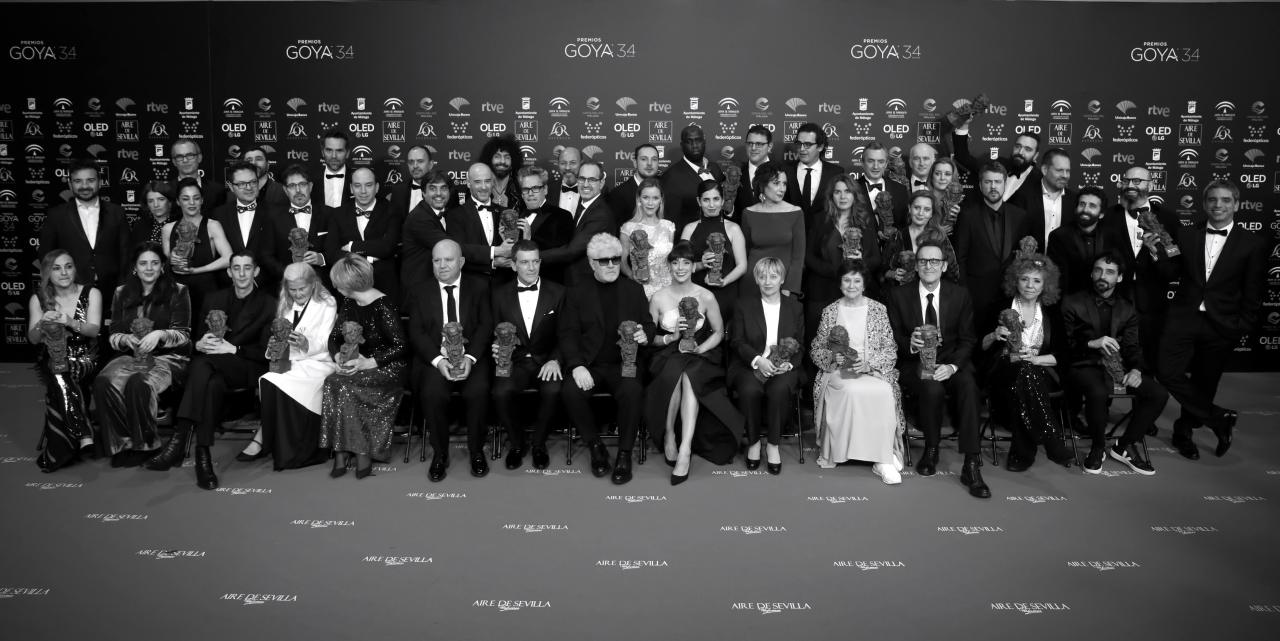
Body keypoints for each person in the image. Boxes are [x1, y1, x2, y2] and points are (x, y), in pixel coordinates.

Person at [144, 251, 275, 489]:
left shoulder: (269, 303)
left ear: (256, 271)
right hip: (213, 368)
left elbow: (265, 352)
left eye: (247, 268)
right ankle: (202, 455)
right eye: (236, 268)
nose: (242, 274)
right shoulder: (214, 298)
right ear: (229, 272)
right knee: (210, 382)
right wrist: (199, 344)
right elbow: (196, 338)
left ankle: (181, 436)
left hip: (246, 365)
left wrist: (233, 348)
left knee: (202, 365)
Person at [1156, 180, 1265, 460]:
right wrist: (1157, 252)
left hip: (1222, 323)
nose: (1218, 205)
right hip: (1184, 316)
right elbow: (1171, 272)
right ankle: (1218, 418)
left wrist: (1241, 327)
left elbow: (1253, 291)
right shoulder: (1186, 234)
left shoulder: (1252, 243)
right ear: (1204, 204)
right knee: (1166, 371)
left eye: (1226, 200)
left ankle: (1183, 433)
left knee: (1205, 383)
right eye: (1213, 199)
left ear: (1236, 205)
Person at [885, 239, 989, 498]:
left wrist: (952, 367)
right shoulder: (898, 295)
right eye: (923, 261)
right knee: (931, 388)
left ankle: (971, 463)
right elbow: (892, 337)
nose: (928, 266)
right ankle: (931, 449)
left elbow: (968, 340)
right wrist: (910, 344)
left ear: (943, 266)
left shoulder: (960, 294)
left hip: (952, 361)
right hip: (915, 363)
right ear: (916, 266)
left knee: (969, 386)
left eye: (934, 261)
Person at [645, 241, 745, 484]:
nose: (680, 267)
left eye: (686, 263)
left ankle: (685, 449)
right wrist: (672, 337)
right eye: (675, 263)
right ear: (669, 266)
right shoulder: (658, 297)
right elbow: (649, 338)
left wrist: (701, 348)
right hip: (667, 353)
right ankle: (669, 434)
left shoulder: (706, 295)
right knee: (675, 373)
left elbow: (719, 333)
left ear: (693, 266)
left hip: (702, 352)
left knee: (690, 376)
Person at [559, 233, 654, 484]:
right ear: (592, 263)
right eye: (604, 261)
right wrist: (577, 366)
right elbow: (567, 334)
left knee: (632, 391)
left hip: (625, 364)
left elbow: (648, 324)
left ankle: (624, 453)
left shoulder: (634, 289)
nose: (611, 265)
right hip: (590, 364)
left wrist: (645, 334)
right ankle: (595, 446)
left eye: (615, 259)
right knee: (570, 391)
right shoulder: (576, 292)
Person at [1062, 251, 1168, 474]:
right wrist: (1092, 343)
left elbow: (1132, 346)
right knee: (1098, 392)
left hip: (1118, 367)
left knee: (1158, 394)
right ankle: (1098, 447)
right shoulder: (1072, 302)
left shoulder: (1127, 308)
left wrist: (1136, 369)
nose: (1103, 276)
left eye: (1110, 272)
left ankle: (1125, 445)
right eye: (1098, 270)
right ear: (1091, 274)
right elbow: (1063, 345)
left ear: (1119, 278)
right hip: (1083, 364)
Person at [93, 242, 191, 467]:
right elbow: (113, 333)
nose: (149, 268)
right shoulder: (121, 292)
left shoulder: (178, 291)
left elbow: (184, 335)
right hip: (131, 355)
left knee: (139, 382)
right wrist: (126, 339)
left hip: (170, 358)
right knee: (103, 382)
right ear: (135, 267)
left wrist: (160, 335)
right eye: (143, 263)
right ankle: (121, 443)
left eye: (154, 263)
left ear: (162, 266)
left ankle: (147, 445)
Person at [405, 240, 494, 482]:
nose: (442, 265)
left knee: (478, 391)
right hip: (436, 357)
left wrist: (470, 357)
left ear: (461, 262)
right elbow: (416, 332)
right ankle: (440, 454)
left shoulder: (479, 286)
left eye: (448, 260)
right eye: (437, 260)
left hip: (471, 356)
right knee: (433, 394)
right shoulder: (419, 290)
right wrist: (438, 361)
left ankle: (477, 451)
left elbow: (486, 325)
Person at [810, 261, 904, 483]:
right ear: (840, 283)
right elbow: (816, 349)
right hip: (837, 372)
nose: (851, 285)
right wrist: (832, 357)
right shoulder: (830, 311)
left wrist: (869, 365)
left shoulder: (879, 310)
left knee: (883, 391)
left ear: (864, 284)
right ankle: (847, 452)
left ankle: (883, 460)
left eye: (856, 280)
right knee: (850, 390)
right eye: (847, 280)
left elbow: (890, 349)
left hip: (872, 371)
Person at [979, 254, 1073, 471]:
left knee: (1026, 375)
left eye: (1037, 280)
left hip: (1040, 373)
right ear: (1015, 280)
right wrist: (994, 335)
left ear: (1045, 285)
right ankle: (1051, 439)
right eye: (1024, 279)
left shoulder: (1052, 312)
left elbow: (1064, 355)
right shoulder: (998, 306)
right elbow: (979, 347)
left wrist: (1036, 359)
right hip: (1001, 370)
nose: (1030, 285)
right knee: (1024, 372)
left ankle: (1023, 453)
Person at [320, 255, 408, 479]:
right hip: (358, 364)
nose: (335, 286)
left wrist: (368, 363)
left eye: (337, 282)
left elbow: (401, 346)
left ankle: (361, 451)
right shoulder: (349, 303)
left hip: (387, 366)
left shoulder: (384, 305)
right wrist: (338, 356)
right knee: (331, 382)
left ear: (348, 284)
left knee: (348, 387)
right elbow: (334, 338)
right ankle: (340, 451)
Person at [244, 262, 338, 470]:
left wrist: (306, 343)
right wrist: (273, 347)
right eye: (292, 289)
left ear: (313, 284)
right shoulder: (285, 302)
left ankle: (268, 439)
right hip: (290, 361)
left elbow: (327, 341)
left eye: (302, 288)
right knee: (270, 380)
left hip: (319, 362)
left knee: (281, 381)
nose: (297, 294)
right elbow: (279, 338)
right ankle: (275, 443)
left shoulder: (327, 302)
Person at [490, 241, 566, 470]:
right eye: (525, 262)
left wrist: (556, 359)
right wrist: (495, 347)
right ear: (514, 265)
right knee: (500, 392)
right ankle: (517, 443)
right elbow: (493, 330)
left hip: (547, 359)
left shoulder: (559, 292)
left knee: (553, 390)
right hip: (515, 361)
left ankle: (539, 444)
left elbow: (567, 333)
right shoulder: (498, 295)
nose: (531, 267)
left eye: (535, 261)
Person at [728, 258, 804, 475]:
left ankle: (772, 445)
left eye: (773, 276)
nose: (767, 281)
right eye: (762, 277)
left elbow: (801, 344)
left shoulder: (795, 307)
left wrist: (788, 364)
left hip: (783, 368)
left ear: (782, 279)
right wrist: (758, 360)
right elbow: (737, 341)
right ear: (756, 279)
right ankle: (753, 443)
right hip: (750, 364)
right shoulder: (743, 305)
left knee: (779, 389)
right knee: (749, 389)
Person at [29, 250, 102, 472]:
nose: (64, 272)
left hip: (85, 355)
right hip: (53, 355)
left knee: (59, 375)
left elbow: (93, 330)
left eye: (68, 266)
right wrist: (41, 323)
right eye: (57, 268)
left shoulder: (91, 293)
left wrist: (69, 321)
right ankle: (83, 432)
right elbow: (33, 339)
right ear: (47, 273)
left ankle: (68, 443)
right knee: (58, 369)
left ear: (75, 269)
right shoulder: (39, 299)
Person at [1103, 165, 1181, 368]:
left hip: (1152, 302)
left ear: (1151, 185)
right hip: (1113, 300)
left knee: (1147, 362)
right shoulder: (1107, 217)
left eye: (1137, 181)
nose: (1131, 185)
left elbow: (1174, 267)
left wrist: (1155, 252)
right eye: (1127, 180)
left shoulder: (1169, 219)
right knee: (1111, 358)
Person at [38, 159, 129, 310]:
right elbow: (46, 256)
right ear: (70, 184)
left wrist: (122, 286)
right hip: (70, 292)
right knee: (75, 326)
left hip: (112, 292)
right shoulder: (56, 215)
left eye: (90, 180)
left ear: (100, 182)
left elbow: (126, 253)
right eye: (78, 181)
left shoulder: (117, 213)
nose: (85, 186)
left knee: (109, 326)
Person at [954, 161, 1029, 334]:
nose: (993, 186)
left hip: (1010, 295)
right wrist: (964, 294)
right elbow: (960, 258)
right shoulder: (967, 216)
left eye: (997, 182)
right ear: (980, 185)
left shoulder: (1019, 216)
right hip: (976, 297)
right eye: (988, 182)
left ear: (1004, 184)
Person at [806, 175, 882, 342]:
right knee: (820, 342)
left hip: (854, 292)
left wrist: (861, 261)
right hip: (822, 290)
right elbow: (808, 257)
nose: (842, 196)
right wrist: (834, 271)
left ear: (854, 195)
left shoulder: (865, 220)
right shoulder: (819, 219)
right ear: (831, 196)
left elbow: (876, 259)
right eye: (837, 192)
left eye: (847, 191)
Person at [325, 167, 404, 304]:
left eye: (368, 185)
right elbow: (331, 252)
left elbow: (387, 247)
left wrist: (352, 246)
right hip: (348, 286)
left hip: (385, 284)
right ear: (351, 188)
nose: (363, 191)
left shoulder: (392, 211)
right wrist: (367, 259)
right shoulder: (338, 214)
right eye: (357, 185)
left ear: (377, 187)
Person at [163, 178, 233, 319]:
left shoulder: (212, 226)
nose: (192, 203)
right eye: (186, 199)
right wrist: (171, 258)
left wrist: (197, 270)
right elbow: (165, 260)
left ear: (202, 200)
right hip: (177, 292)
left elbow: (228, 258)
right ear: (178, 202)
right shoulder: (168, 229)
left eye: (196, 198)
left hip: (206, 292)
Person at [682, 179, 748, 323]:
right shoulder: (689, 229)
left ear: (723, 200)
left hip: (727, 294)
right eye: (706, 200)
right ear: (699, 201)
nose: (711, 205)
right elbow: (680, 266)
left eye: (716, 199)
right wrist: (701, 264)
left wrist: (724, 282)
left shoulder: (734, 229)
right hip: (696, 295)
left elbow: (742, 266)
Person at [545, 160, 619, 286]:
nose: (585, 184)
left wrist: (533, 256)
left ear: (601, 183)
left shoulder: (600, 215)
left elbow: (571, 251)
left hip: (589, 285)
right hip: (576, 282)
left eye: (592, 180)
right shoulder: (585, 206)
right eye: (582, 179)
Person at [1047, 186, 1127, 296]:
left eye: (1092, 206)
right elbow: (1057, 277)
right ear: (1076, 208)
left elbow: (1120, 271)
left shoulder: (1112, 236)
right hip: (1071, 300)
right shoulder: (1059, 236)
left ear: (1101, 214)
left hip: (1105, 299)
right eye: (1082, 204)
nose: (1085, 210)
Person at [741, 162, 805, 299]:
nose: (782, 189)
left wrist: (789, 287)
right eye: (776, 183)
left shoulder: (795, 212)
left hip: (783, 284)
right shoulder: (748, 213)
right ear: (763, 184)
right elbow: (744, 253)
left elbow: (798, 258)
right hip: (752, 282)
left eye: (784, 184)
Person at [215, 161, 283, 289]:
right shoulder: (219, 214)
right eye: (241, 184)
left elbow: (280, 254)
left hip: (267, 288)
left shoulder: (275, 213)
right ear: (231, 186)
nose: (249, 187)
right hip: (228, 288)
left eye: (253, 182)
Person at [447, 163, 515, 278]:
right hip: (471, 283)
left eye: (487, 181)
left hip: (503, 283)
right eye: (478, 182)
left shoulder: (506, 213)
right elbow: (459, 251)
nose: (484, 187)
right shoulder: (455, 215)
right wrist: (494, 258)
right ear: (468, 183)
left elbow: (512, 251)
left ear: (493, 182)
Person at [950, 122, 1042, 205]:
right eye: (1018, 146)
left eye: (1028, 149)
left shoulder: (1040, 180)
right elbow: (963, 157)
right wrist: (964, 124)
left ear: (1036, 155)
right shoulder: (997, 164)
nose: (1020, 152)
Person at [883, 191, 959, 288]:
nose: (921, 213)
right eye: (917, 208)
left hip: (935, 294)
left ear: (932, 213)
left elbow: (953, 272)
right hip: (904, 294)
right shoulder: (896, 237)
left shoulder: (940, 237)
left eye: (927, 209)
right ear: (909, 208)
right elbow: (882, 271)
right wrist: (893, 274)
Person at [272, 164, 332, 286]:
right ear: (285, 190)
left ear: (310, 186)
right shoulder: (274, 217)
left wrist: (322, 258)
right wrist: (287, 274)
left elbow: (336, 249)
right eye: (292, 186)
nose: (298, 190)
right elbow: (267, 255)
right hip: (286, 284)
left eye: (302, 184)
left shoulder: (329, 214)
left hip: (322, 284)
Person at [513, 166, 574, 283]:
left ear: (545, 189)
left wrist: (529, 241)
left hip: (550, 284)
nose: (530, 193)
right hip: (519, 285)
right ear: (522, 194)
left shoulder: (562, 216)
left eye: (535, 188)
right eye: (525, 189)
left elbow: (563, 255)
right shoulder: (517, 217)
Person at [660, 124, 726, 231]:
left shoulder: (715, 168)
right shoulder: (671, 177)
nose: (695, 145)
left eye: (698, 140)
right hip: (692, 238)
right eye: (689, 141)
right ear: (682, 145)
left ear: (704, 142)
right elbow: (671, 221)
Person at [620, 178, 676, 298]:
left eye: (655, 198)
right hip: (641, 289)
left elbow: (671, 261)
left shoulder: (668, 226)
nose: (650, 203)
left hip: (667, 289)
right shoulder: (628, 228)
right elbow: (622, 261)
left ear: (661, 200)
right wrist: (632, 276)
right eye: (646, 197)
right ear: (639, 199)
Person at [399, 169, 453, 290]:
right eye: (433, 188)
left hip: (437, 285)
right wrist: (492, 252)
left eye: (443, 188)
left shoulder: (450, 214)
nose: (438, 193)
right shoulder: (419, 218)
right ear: (423, 192)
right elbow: (451, 247)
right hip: (418, 289)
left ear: (449, 192)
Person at [785, 123, 846, 228]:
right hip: (790, 232)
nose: (802, 149)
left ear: (820, 147)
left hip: (824, 234)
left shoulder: (836, 173)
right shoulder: (785, 171)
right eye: (799, 144)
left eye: (807, 144)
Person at [1017, 148, 1078, 249]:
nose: (1065, 175)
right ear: (1045, 170)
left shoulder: (1075, 200)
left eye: (1067, 171)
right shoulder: (1023, 197)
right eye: (1059, 170)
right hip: (1031, 258)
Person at [606, 143, 660, 228]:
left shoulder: (665, 188)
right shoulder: (618, 194)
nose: (649, 163)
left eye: (654, 159)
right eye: (644, 159)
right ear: (635, 162)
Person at [856, 143, 908, 229]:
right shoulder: (852, 189)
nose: (876, 166)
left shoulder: (900, 190)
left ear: (886, 164)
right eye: (871, 161)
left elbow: (903, 225)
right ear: (862, 163)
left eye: (881, 162)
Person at [167, 139, 226, 212]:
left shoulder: (217, 190)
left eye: (190, 155)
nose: (185, 160)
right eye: (179, 156)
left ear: (199, 158)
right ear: (174, 162)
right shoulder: (166, 191)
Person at [734, 125, 774, 216]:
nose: (753, 148)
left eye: (759, 144)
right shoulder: (735, 174)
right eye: (750, 143)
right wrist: (729, 211)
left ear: (770, 146)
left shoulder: (784, 172)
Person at [387, 145, 436, 219]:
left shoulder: (444, 190)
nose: (415, 166)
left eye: (420, 161)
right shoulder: (398, 191)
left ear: (430, 165)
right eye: (411, 162)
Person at [479, 134, 524, 209]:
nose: (502, 161)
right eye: (497, 157)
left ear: (513, 161)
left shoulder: (520, 189)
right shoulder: (479, 188)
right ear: (489, 160)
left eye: (507, 157)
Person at [315, 128, 353, 210]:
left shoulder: (357, 179)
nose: (334, 156)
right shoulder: (311, 180)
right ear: (322, 152)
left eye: (339, 151)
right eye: (329, 150)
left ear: (347, 153)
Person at [130, 180, 176, 247]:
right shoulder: (139, 226)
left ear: (170, 201)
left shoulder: (179, 225)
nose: (156, 205)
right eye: (151, 201)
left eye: (161, 199)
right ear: (147, 204)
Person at [243, 146, 289, 210]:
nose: (253, 163)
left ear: (267, 164)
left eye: (258, 159)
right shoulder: (233, 194)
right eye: (249, 160)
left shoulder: (284, 192)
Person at [927, 157, 963, 235]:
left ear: (953, 177)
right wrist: (935, 233)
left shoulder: (960, 204)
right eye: (937, 173)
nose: (942, 178)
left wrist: (960, 219)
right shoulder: (922, 199)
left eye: (947, 174)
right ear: (931, 176)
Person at [547, 146, 582, 213]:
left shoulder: (592, 191)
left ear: (581, 163)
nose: (567, 168)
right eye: (563, 163)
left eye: (573, 163)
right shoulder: (548, 189)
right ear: (558, 164)